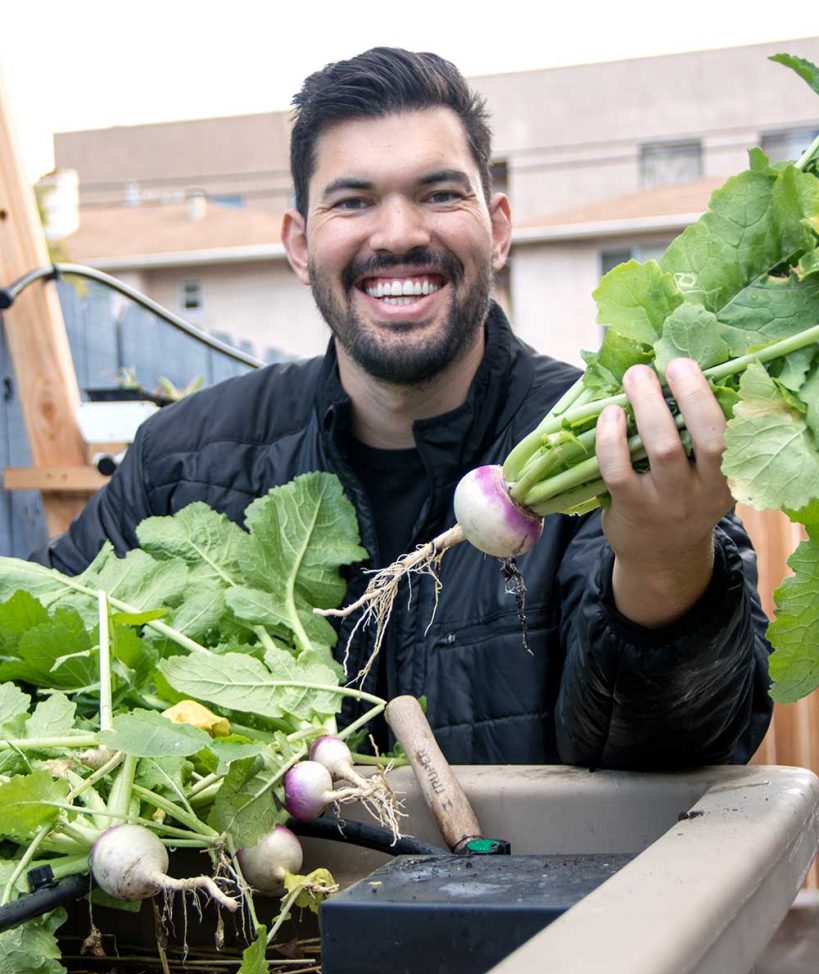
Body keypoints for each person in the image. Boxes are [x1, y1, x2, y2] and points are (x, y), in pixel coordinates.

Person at [35, 47, 772, 767]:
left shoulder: (619, 447)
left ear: (500, 226)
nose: (397, 234)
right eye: (353, 201)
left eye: (439, 194)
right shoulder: (182, 457)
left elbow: (686, 747)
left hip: (547, 894)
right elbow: (43, 651)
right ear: (299, 245)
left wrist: (664, 564)